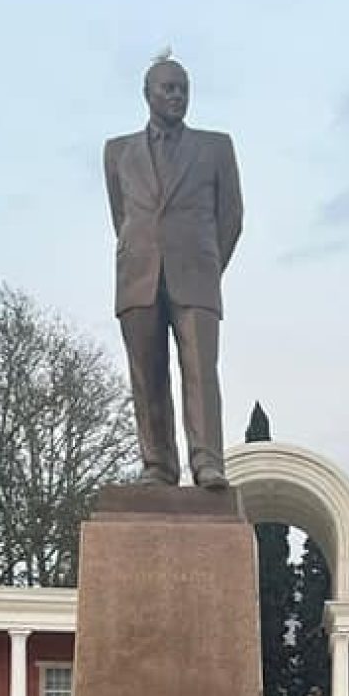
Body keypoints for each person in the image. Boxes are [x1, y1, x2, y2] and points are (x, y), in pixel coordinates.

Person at [104, 55, 243, 488]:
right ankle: (158, 465)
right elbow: (120, 214)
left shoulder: (215, 147)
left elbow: (232, 217)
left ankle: (207, 463)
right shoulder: (118, 151)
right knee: (147, 374)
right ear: (148, 95)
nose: (177, 96)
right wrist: (144, 252)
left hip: (197, 274)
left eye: (183, 88)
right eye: (168, 88)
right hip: (138, 274)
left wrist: (207, 264)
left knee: (201, 370)